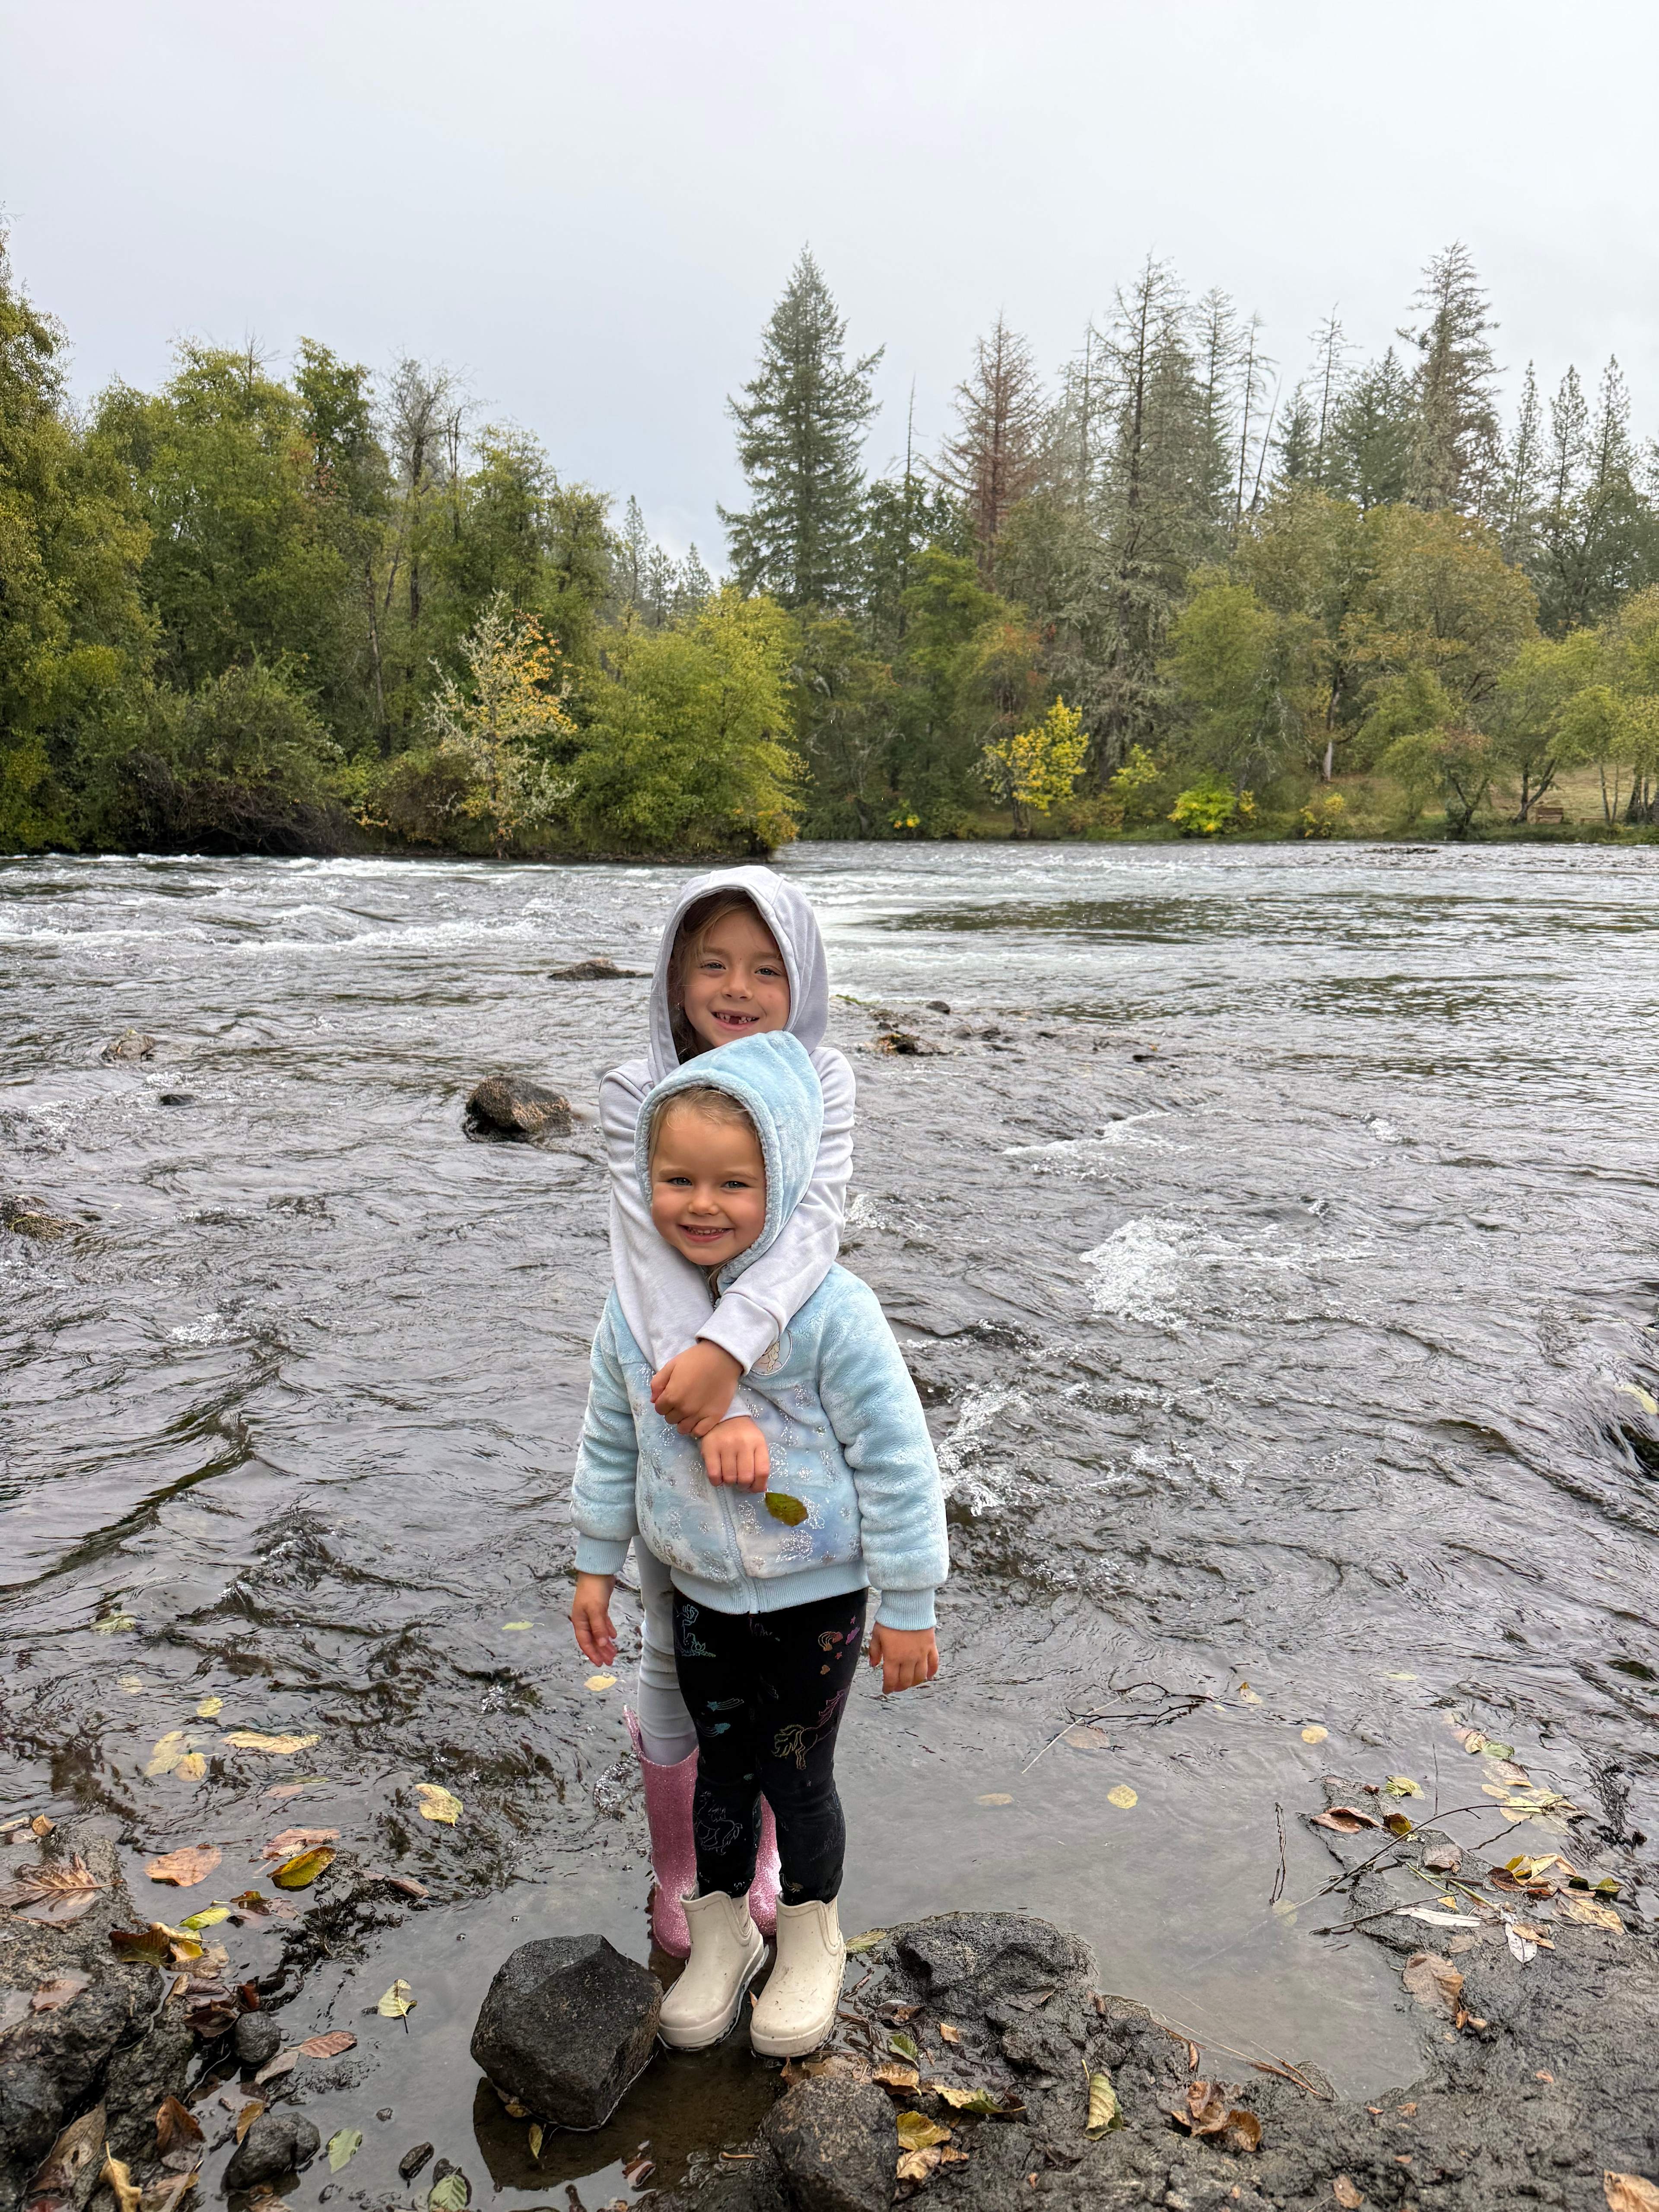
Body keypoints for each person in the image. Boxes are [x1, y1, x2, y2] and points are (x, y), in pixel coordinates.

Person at [571, 1033, 946, 2056]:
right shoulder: (635, 1316)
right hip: (697, 1595)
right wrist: (594, 1565)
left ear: (780, 1184)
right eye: (677, 1179)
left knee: (797, 1773)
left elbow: (901, 1462)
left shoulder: (834, 1312)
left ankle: (814, 1935)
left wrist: (909, 1604)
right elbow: (611, 1444)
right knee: (723, 1772)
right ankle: (723, 1933)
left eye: (734, 1182)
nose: (702, 1204)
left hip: (815, 1600)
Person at [598, 869, 855, 1957]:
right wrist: (694, 1391)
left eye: (766, 967)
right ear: (673, 972)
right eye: (711, 963)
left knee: (768, 1644)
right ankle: (677, 1876)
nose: (736, 988)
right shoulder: (634, 1083)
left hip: (784, 1375)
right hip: (659, 1382)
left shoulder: (824, 1075)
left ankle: (757, 1862)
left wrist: (731, 1349)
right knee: (670, 1639)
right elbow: (641, 1251)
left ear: (804, 981)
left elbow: (817, 1224)